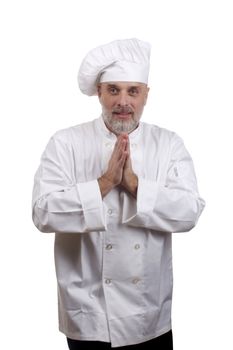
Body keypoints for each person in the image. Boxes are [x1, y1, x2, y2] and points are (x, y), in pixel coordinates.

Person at [32, 38, 205, 349]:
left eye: (133, 91)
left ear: (146, 96)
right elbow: (42, 213)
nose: (123, 102)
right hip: (89, 314)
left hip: (148, 315)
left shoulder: (168, 144)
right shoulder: (66, 143)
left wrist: (136, 185)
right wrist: (105, 183)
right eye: (113, 90)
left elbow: (189, 212)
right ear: (99, 93)